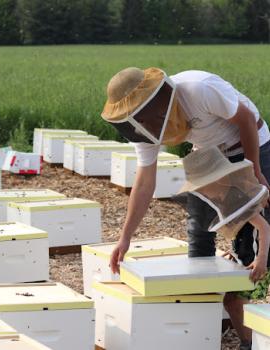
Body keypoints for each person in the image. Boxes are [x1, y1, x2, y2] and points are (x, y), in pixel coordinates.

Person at [101, 67, 270, 350]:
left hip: (252, 143)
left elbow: (246, 120)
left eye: (144, 115)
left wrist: (254, 171)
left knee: (247, 243)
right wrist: (125, 236)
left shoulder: (199, 88)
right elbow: (144, 183)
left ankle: (247, 338)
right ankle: (200, 323)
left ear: (155, 101)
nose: (142, 122)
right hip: (208, 161)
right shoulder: (143, 127)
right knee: (199, 236)